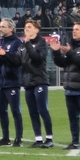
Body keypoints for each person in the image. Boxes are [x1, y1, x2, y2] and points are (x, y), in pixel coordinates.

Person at [50, 22, 80, 150]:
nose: (74, 31)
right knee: (73, 118)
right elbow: (63, 63)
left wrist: (70, 53)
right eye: (73, 29)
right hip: (70, 87)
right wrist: (56, 52)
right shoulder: (72, 46)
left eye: (77, 29)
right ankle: (75, 142)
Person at [0, 18, 24, 147]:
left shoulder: (17, 43)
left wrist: (3, 54)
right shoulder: (0, 42)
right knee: (2, 111)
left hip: (12, 81)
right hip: (0, 82)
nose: (0, 29)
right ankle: (5, 138)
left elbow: (16, 62)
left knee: (15, 111)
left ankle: (18, 139)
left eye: (3, 27)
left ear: (11, 29)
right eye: (0, 27)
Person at [20, 20, 54, 148]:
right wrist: (3, 54)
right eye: (25, 27)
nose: (26, 29)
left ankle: (49, 138)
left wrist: (28, 44)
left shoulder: (42, 43)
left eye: (29, 27)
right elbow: (18, 61)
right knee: (32, 111)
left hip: (40, 81)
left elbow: (37, 58)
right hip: (28, 82)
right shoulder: (22, 45)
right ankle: (38, 138)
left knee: (42, 109)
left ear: (36, 30)